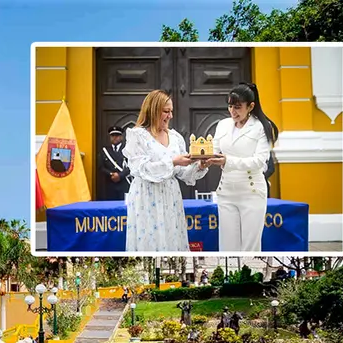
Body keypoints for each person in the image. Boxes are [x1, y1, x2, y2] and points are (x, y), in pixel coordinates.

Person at [123, 90, 210, 252]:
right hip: (146, 196)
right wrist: (173, 161)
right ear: (153, 111)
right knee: (149, 240)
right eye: (166, 111)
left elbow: (182, 173)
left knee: (171, 239)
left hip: (170, 197)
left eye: (171, 111)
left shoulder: (175, 137)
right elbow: (141, 168)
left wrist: (199, 166)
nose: (170, 116)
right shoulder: (137, 136)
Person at [208, 83, 278, 252]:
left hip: (251, 192)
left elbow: (259, 161)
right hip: (226, 192)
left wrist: (228, 161)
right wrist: (203, 159)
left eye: (238, 107)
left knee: (250, 247)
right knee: (227, 246)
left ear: (251, 106)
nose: (233, 111)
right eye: (230, 106)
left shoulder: (262, 127)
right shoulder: (223, 125)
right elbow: (213, 150)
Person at [100, 126, 130, 201]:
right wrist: (111, 174)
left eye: (117, 135)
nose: (115, 137)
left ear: (121, 137)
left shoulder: (127, 149)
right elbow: (101, 167)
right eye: (112, 135)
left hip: (124, 183)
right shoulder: (105, 151)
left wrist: (120, 175)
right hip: (110, 185)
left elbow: (131, 165)